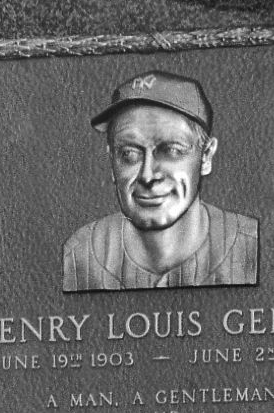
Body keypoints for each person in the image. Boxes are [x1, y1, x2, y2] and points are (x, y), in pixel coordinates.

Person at [61, 72, 259, 292]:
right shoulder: (80, 255)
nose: (148, 175)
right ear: (111, 162)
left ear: (206, 156)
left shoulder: (252, 247)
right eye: (129, 154)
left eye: (172, 151)